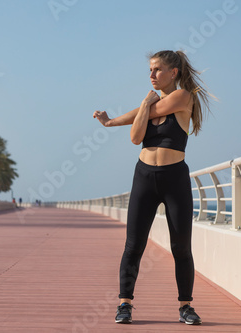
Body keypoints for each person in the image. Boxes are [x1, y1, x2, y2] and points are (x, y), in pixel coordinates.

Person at [93, 50, 213, 325]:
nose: (151, 75)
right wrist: (111, 122)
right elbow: (136, 138)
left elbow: (151, 110)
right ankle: (125, 303)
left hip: (174, 178)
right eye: (150, 69)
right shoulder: (150, 105)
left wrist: (143, 106)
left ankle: (186, 306)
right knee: (133, 245)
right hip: (144, 177)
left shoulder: (184, 97)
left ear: (174, 73)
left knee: (181, 247)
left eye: (157, 69)